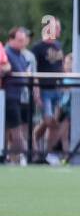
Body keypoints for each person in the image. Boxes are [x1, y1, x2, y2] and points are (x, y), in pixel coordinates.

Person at [30, 15, 65, 163]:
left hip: (57, 89)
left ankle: (46, 153)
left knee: (54, 123)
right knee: (48, 120)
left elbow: (60, 67)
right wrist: (36, 90)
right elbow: (34, 70)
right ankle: (34, 145)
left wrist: (64, 83)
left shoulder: (58, 46)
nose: (58, 30)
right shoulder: (38, 48)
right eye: (55, 27)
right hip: (44, 89)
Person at [4, 27, 34, 163]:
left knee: (13, 131)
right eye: (20, 40)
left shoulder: (21, 55)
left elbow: (24, 73)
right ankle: (32, 157)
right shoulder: (6, 53)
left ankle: (13, 158)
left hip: (19, 97)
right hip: (9, 97)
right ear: (11, 40)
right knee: (15, 132)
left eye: (24, 40)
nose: (23, 43)